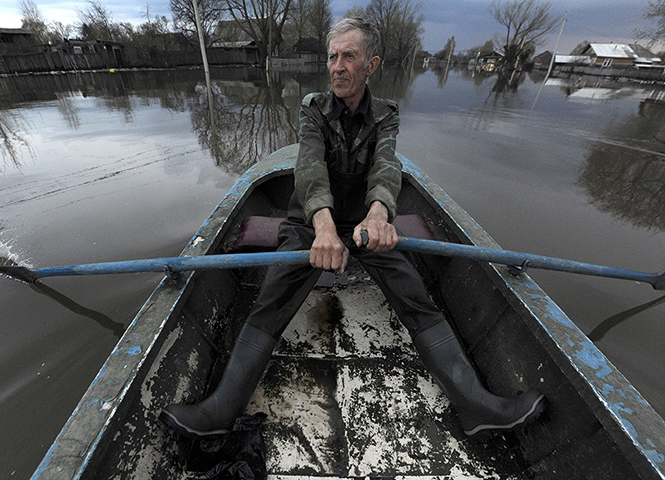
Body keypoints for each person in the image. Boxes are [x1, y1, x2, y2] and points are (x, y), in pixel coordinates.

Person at [160, 17, 546, 439]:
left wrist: (379, 216)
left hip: (366, 224)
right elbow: (308, 169)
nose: (337, 66)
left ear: (371, 64)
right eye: (332, 56)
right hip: (311, 223)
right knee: (272, 297)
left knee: (415, 294)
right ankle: (220, 411)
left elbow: (386, 167)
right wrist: (323, 229)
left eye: (349, 56)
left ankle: (476, 406)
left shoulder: (386, 116)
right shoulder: (312, 108)